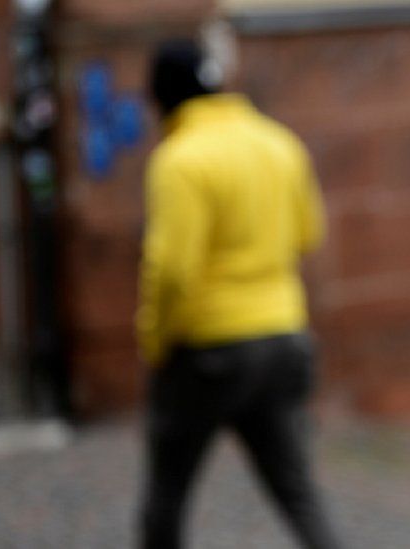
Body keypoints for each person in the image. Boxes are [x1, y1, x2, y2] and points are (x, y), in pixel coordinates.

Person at [136, 38, 339, 549]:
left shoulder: (179, 160)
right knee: (297, 492)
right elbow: (308, 233)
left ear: (162, 100)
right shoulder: (279, 142)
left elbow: (172, 271)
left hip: (209, 348)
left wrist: (155, 340)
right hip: (284, 338)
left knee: (167, 496)